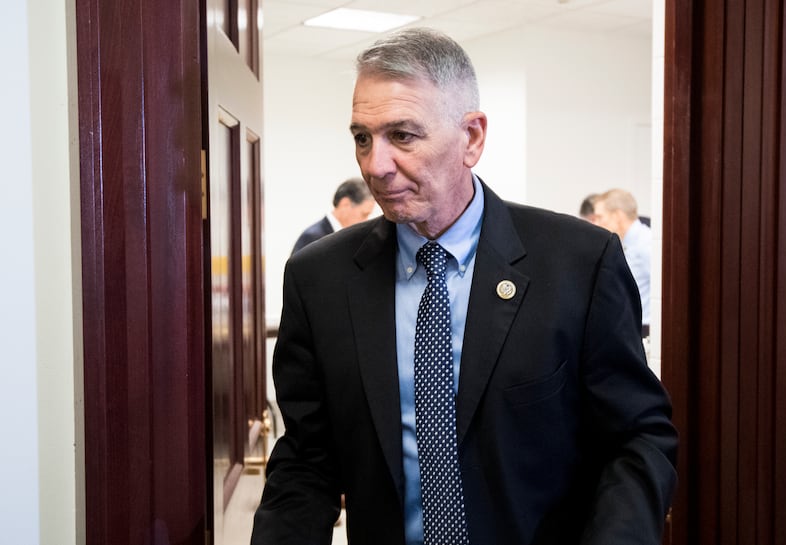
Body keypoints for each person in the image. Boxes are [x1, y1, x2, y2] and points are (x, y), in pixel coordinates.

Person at [251, 28, 676, 545]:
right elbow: (306, 461)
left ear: (471, 138)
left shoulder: (578, 264)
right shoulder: (319, 279)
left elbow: (637, 439)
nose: (374, 166)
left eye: (402, 136)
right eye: (362, 138)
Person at [592, 188, 652, 337]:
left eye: (600, 217)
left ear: (617, 216)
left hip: (643, 331)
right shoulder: (626, 243)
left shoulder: (646, 244)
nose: (596, 224)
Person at [290, 177, 375, 255]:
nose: (366, 221)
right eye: (364, 214)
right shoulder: (312, 237)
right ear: (345, 204)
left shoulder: (351, 238)